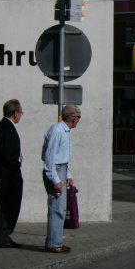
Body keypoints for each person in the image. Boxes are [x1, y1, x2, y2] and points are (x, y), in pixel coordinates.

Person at [0, 99, 25, 248]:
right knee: (8, 206)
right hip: (10, 176)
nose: (21, 115)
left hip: (5, 175)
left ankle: (3, 236)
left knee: (5, 205)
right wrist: (15, 165)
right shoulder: (7, 128)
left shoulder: (1, 126)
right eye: (21, 112)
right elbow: (7, 153)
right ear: (15, 113)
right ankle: (2, 237)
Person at [41, 104, 81, 253]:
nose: (79, 121)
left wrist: (68, 175)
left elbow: (62, 158)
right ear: (73, 118)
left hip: (61, 169)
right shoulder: (57, 131)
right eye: (78, 117)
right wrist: (56, 179)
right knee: (57, 209)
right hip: (55, 171)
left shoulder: (65, 130)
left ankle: (55, 242)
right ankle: (53, 244)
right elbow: (49, 158)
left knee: (61, 209)